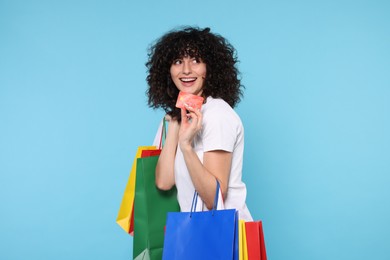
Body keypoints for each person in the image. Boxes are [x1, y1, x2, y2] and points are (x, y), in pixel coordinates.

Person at [146, 26, 252, 221]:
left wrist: (186, 146)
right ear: (168, 70)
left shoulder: (217, 114)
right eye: (178, 61)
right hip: (193, 232)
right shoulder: (174, 118)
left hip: (226, 234)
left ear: (210, 68)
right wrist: (176, 126)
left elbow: (214, 199)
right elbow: (164, 182)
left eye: (196, 60)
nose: (186, 70)